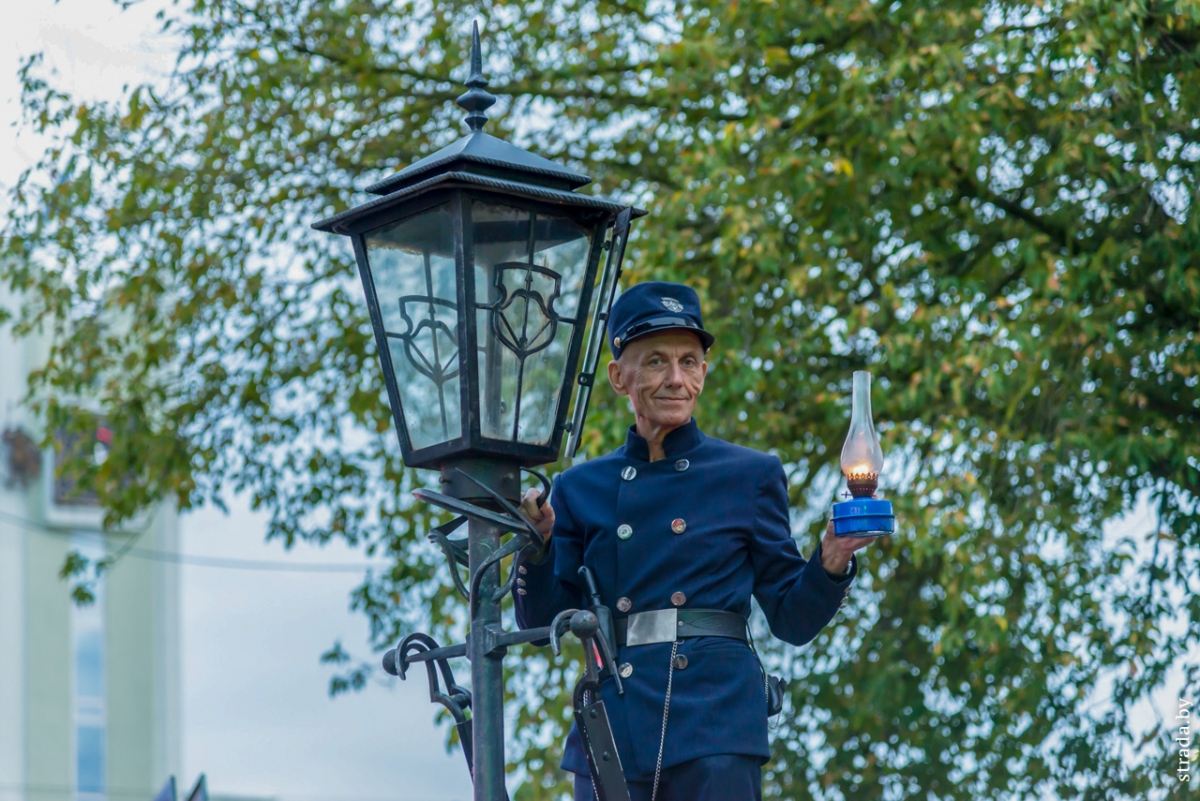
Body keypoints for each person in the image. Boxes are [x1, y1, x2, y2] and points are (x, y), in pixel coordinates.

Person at [514, 281, 876, 801]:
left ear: (704, 373)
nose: (676, 378)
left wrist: (832, 558)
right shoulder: (578, 488)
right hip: (613, 723)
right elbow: (539, 620)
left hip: (717, 722)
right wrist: (540, 544)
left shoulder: (749, 474)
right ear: (620, 377)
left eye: (689, 361)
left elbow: (791, 619)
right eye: (657, 361)